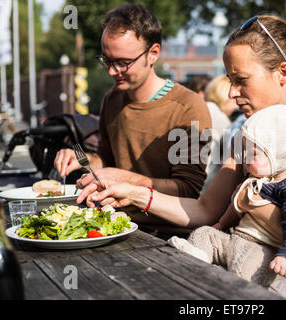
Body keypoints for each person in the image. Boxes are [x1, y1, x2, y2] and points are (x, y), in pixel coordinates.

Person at [78, 15, 286, 300]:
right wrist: (136, 195)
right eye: (230, 80)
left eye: (241, 79)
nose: (232, 93)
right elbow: (206, 211)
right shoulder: (247, 134)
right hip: (248, 269)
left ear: (282, 72)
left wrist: (247, 202)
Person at [54, 4, 212, 233]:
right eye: (107, 60)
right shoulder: (112, 99)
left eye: (123, 63)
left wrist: (125, 179)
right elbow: (105, 161)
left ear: (153, 53)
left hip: (168, 234)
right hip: (113, 222)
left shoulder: (188, 107)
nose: (111, 71)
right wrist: (78, 156)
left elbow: (187, 191)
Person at [168, 105, 286, 299]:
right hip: (235, 238)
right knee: (204, 233)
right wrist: (222, 224)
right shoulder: (257, 176)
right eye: (245, 152)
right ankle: (198, 259)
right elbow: (236, 205)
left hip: (263, 250)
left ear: (279, 154)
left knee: (244, 269)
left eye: (253, 154)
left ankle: (230, 291)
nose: (245, 158)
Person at [200, 75, 238, 193]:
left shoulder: (202, 109)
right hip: (205, 186)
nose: (237, 105)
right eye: (233, 100)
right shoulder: (221, 119)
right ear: (225, 97)